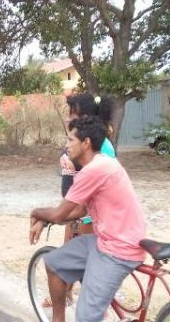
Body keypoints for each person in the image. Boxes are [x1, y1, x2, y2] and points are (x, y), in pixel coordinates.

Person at [29, 115, 146, 322]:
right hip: (104, 239)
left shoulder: (96, 168)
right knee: (54, 261)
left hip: (117, 248)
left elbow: (59, 213)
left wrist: (37, 212)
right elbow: (77, 209)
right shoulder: (95, 167)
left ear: (86, 143)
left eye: (70, 139)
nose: (66, 145)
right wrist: (46, 219)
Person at [46, 94, 117, 309]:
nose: (68, 118)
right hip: (75, 204)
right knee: (69, 251)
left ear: (86, 116)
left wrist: (53, 215)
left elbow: (99, 184)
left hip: (86, 209)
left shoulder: (101, 147)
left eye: (73, 113)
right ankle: (64, 294)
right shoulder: (80, 138)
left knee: (84, 258)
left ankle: (96, 303)